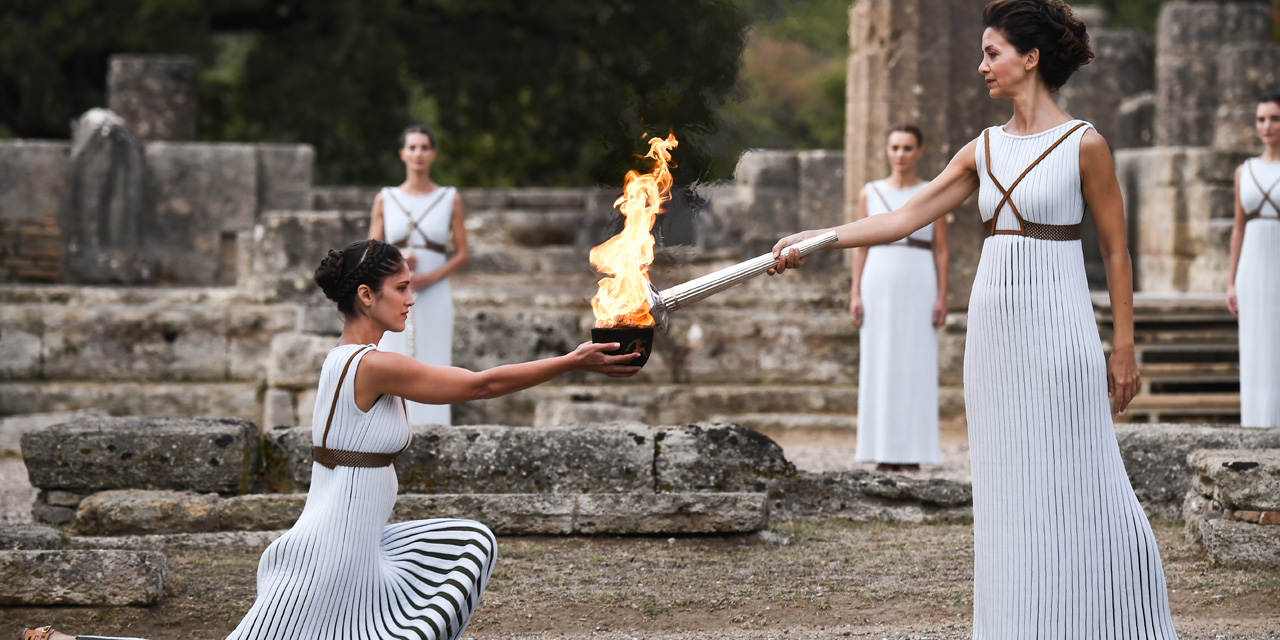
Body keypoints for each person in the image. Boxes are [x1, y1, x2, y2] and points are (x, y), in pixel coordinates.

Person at [770, 0, 1178, 635]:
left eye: (992, 54)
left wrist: (1122, 348)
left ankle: (1115, 617)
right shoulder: (981, 149)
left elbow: (1116, 252)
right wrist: (818, 238)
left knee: (1084, 473)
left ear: (1030, 58)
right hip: (995, 334)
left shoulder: (1085, 144)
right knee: (1007, 481)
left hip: (1062, 324)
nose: (982, 66)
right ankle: (1021, 623)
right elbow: (902, 218)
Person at [24, 239, 640, 640]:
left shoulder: (346, 360)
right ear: (366, 296)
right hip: (334, 553)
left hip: (353, 545)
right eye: (401, 288)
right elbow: (479, 385)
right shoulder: (370, 366)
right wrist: (571, 362)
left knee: (468, 542)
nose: (411, 298)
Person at [850, 123, 949, 472]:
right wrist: (855, 292)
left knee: (916, 362)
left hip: (919, 279)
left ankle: (913, 451)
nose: (900, 155)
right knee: (880, 361)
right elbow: (860, 246)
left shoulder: (932, 192)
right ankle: (881, 449)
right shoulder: (871, 192)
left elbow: (941, 249)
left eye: (907, 148)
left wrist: (942, 296)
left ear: (919, 151)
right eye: (895, 147)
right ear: (886, 150)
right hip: (879, 279)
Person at [369, 124, 468, 426]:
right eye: (412, 147)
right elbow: (369, 252)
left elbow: (462, 254)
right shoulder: (386, 198)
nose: (418, 154)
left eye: (424, 147)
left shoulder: (450, 198)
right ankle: (391, 430)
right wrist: (395, 261)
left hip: (435, 292)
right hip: (393, 292)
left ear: (433, 153)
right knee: (392, 358)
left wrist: (431, 276)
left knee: (434, 359)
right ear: (402, 153)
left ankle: (435, 429)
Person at [1226, 94, 1280, 428]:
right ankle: (1255, 425)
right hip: (1251, 271)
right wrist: (1231, 281)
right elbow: (1238, 228)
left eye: (1274, 118)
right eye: (1261, 119)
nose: (1267, 126)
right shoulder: (1243, 171)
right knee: (1255, 348)